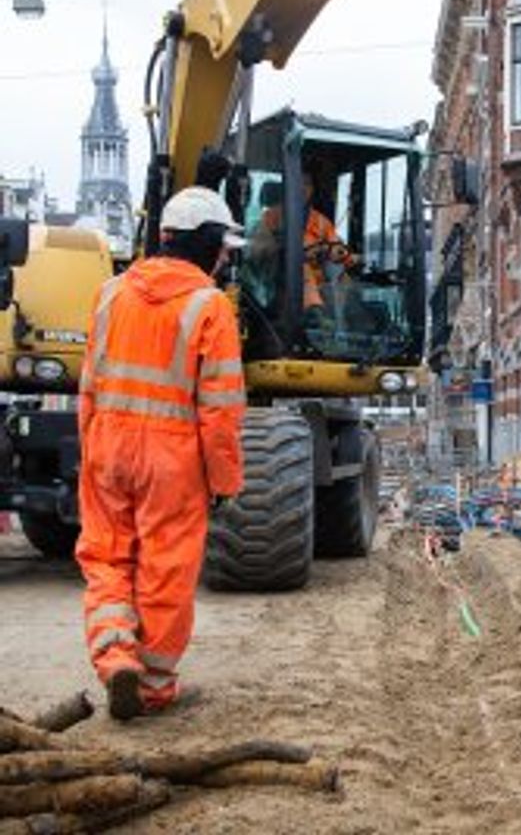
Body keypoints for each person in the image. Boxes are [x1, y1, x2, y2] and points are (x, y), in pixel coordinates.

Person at [75, 186, 246, 720]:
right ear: (207, 243)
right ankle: (150, 684)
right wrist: (223, 481)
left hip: (108, 445)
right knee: (165, 568)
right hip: (172, 457)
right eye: (223, 247)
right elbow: (219, 410)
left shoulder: (110, 293)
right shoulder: (210, 306)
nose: (224, 258)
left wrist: (91, 449)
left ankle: (114, 655)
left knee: (106, 558)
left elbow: (89, 384)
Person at [248, 161, 354, 314]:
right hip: (281, 278)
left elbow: (336, 250)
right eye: (299, 183)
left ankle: (342, 323)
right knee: (301, 268)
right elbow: (257, 250)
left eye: (308, 184)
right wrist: (285, 250)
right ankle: (313, 315)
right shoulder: (273, 216)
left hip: (319, 283)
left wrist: (340, 254)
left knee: (343, 277)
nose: (303, 188)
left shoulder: (322, 222)